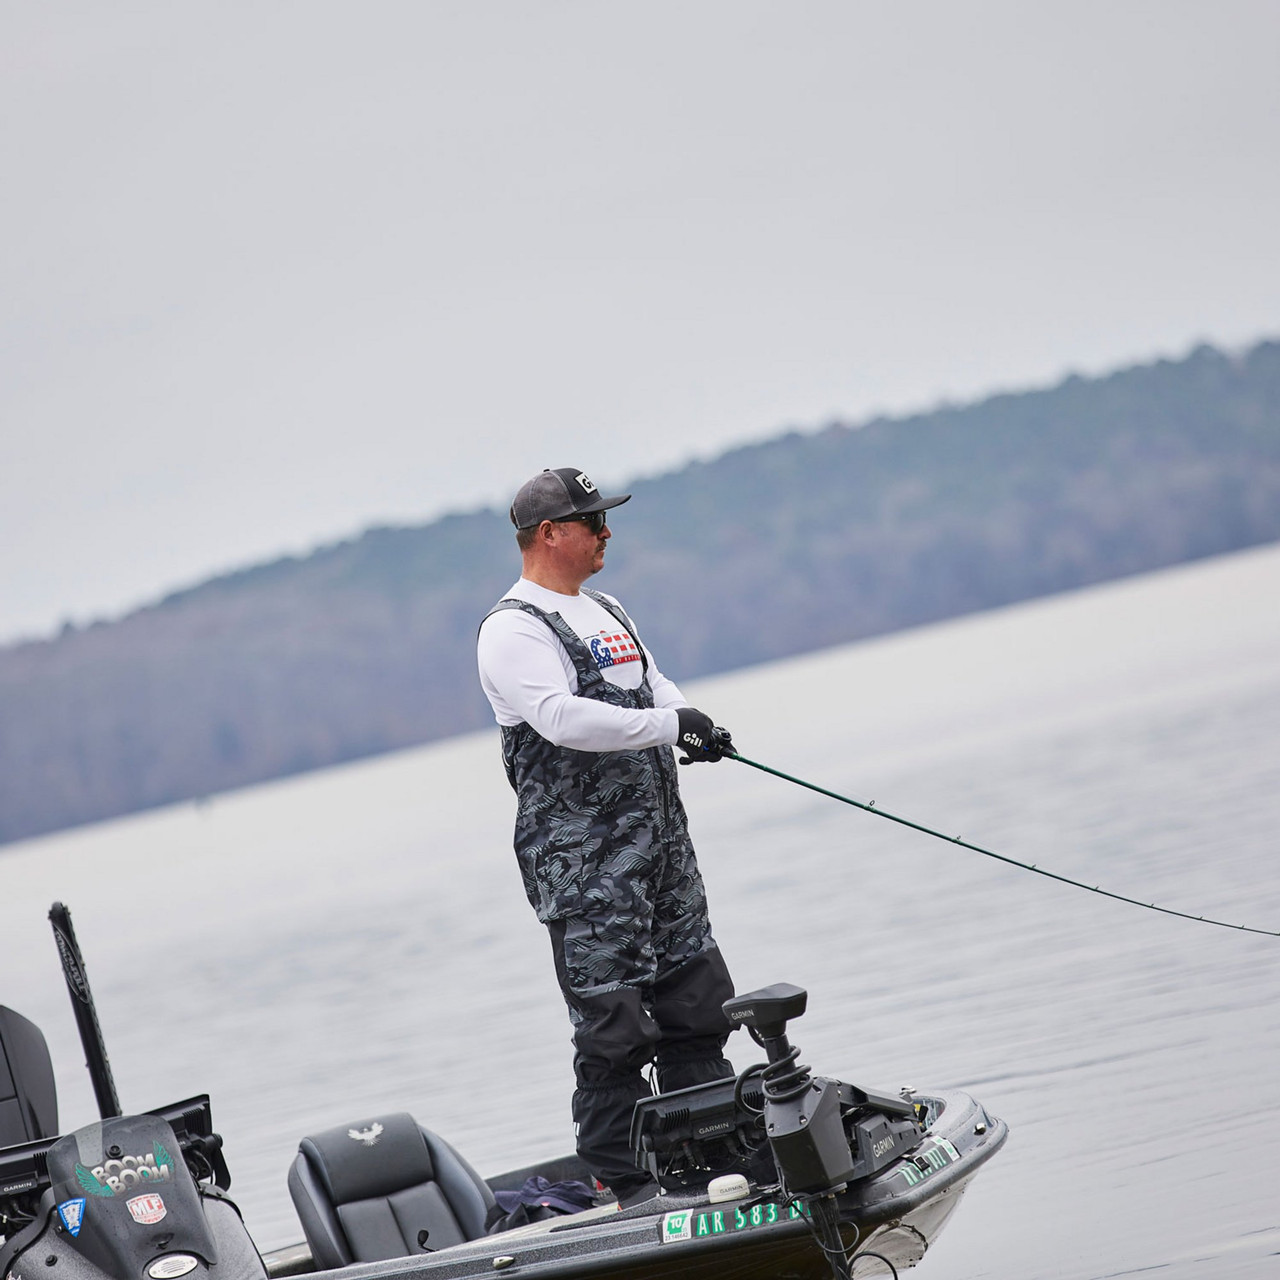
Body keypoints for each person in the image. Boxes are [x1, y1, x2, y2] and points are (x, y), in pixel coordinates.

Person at [476, 466, 737, 1207]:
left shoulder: (607, 608)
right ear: (549, 534)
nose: (606, 533)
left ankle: (712, 1159)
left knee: (698, 1004)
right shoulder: (514, 630)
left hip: (661, 853)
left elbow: (656, 685)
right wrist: (664, 727)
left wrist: (694, 721)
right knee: (615, 1031)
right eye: (593, 522)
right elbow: (562, 719)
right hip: (585, 870)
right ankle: (627, 1185)